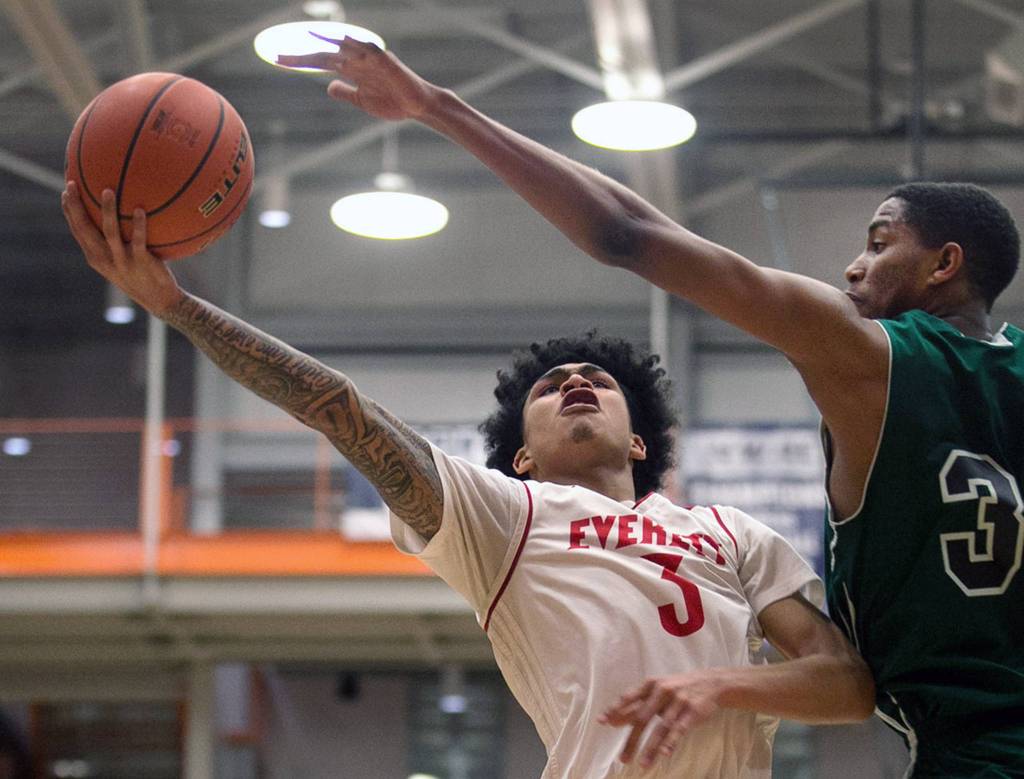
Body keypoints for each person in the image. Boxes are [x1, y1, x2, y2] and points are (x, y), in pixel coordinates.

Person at [278, 37, 1024, 778]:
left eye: (877, 242)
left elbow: (627, 233)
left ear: (943, 265)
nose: (854, 267)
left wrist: (435, 107)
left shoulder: (867, 351)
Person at [62, 184, 872, 778]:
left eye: (597, 378)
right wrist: (179, 307)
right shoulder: (507, 516)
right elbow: (342, 410)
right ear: (520, 455)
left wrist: (719, 684)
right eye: (550, 388)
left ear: (639, 441)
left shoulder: (733, 533)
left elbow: (849, 686)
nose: (576, 382)